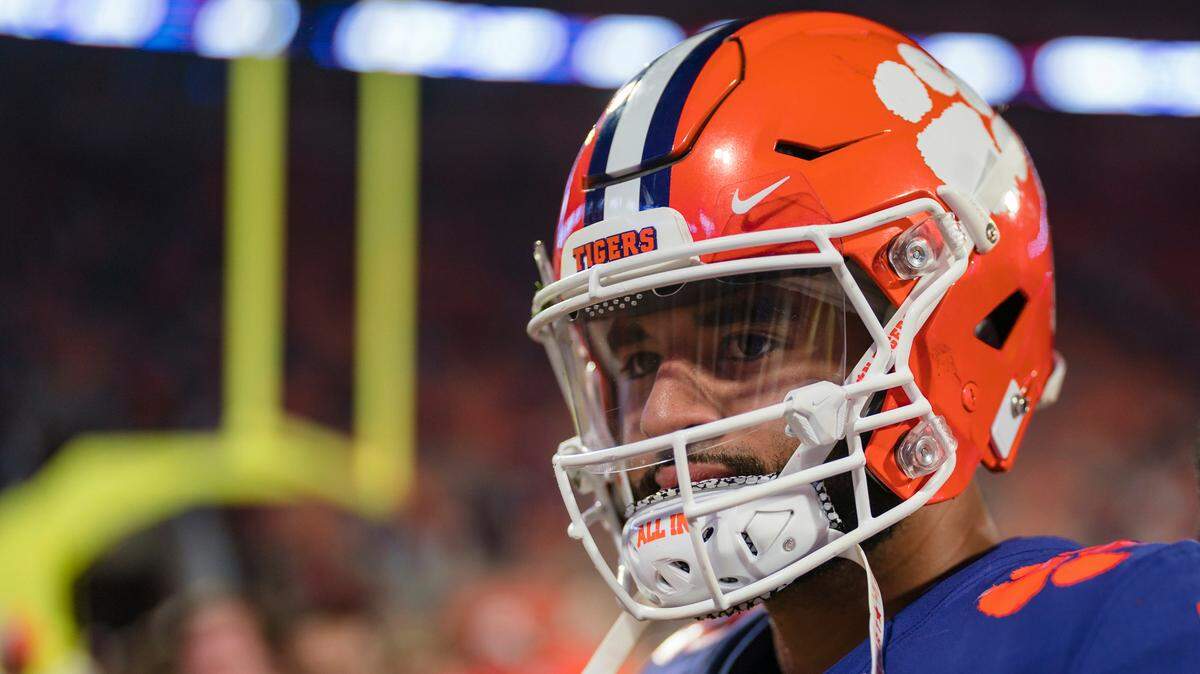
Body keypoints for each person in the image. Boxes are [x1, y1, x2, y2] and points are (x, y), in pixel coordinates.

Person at [525, 12, 1200, 674]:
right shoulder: (680, 664)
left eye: (751, 341)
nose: (661, 416)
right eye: (639, 361)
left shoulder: (1135, 628)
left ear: (957, 333)